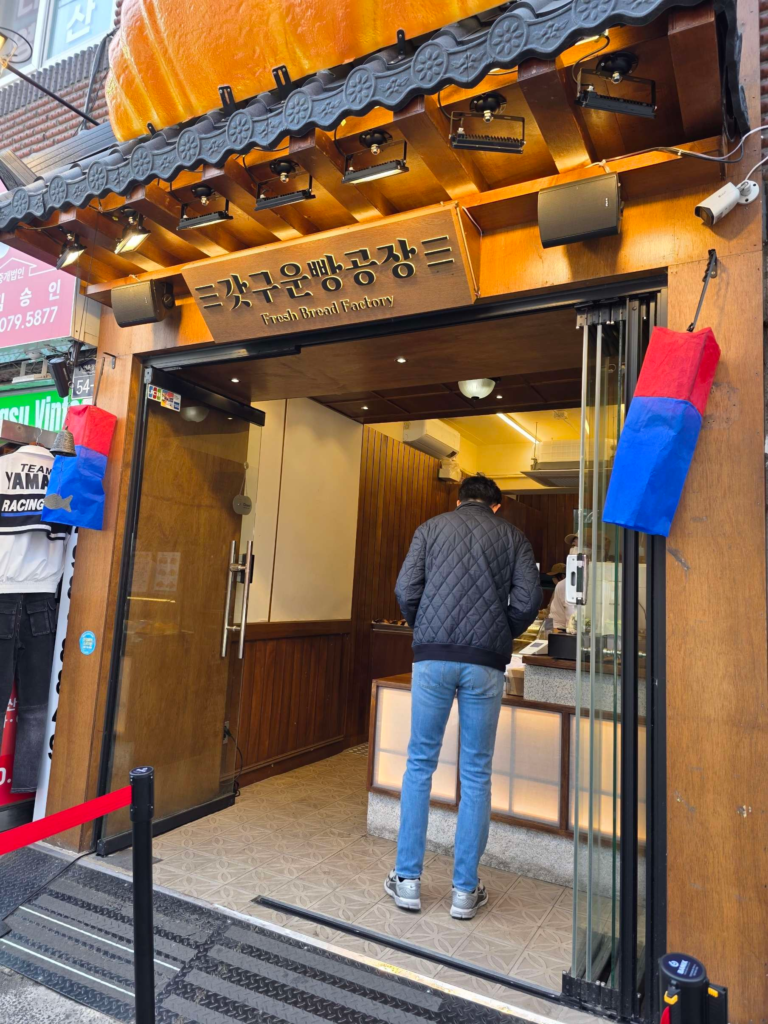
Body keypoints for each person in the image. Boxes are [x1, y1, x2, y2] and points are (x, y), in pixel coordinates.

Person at [385, 474, 541, 919]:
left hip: (432, 657)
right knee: (475, 772)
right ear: (496, 506)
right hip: (486, 661)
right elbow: (528, 599)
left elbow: (404, 589)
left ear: (459, 501)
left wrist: (427, 630)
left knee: (419, 764)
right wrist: (500, 631)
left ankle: (408, 881)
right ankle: (464, 892)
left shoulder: (430, 528)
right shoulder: (513, 537)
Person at [547, 561, 575, 632]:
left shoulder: (562, 586)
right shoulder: (560, 586)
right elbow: (551, 611)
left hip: (563, 629)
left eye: (555, 576)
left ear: (563, 575)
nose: (553, 579)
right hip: (556, 625)